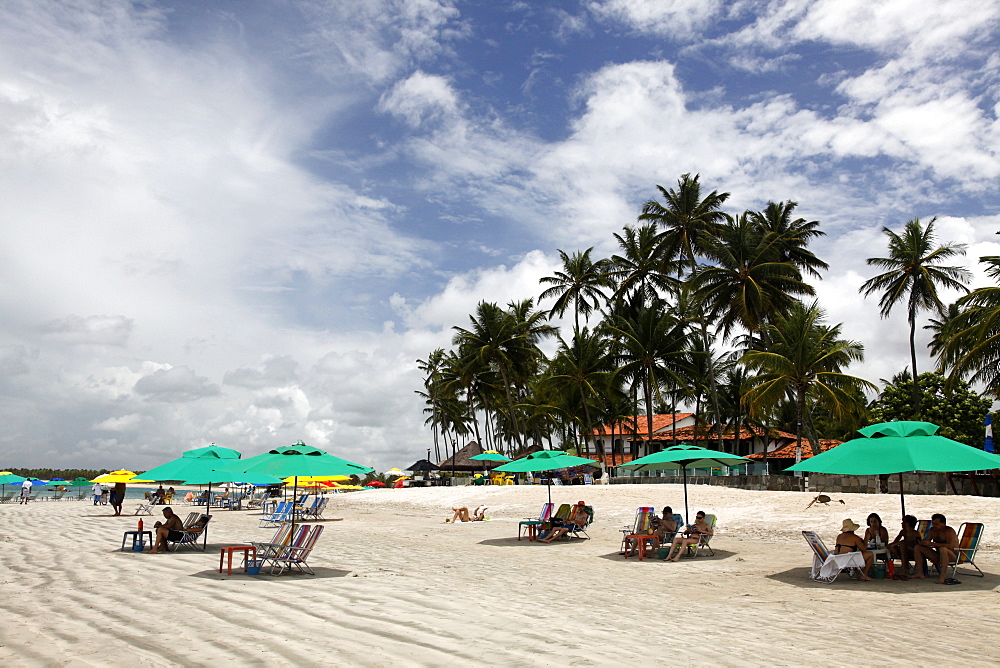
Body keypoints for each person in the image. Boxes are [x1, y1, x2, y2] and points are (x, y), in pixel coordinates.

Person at [913, 513, 959, 584]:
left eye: (937, 524)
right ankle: (920, 572)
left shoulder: (949, 531)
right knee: (918, 547)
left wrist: (932, 544)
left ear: (943, 524)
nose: (934, 526)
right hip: (938, 555)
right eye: (933, 523)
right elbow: (928, 541)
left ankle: (942, 576)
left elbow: (951, 546)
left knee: (943, 549)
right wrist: (923, 543)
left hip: (952, 555)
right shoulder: (932, 530)